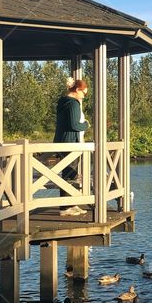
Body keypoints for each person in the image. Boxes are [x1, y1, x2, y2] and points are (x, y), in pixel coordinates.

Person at [54, 78, 89, 216]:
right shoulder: (73, 104)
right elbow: (74, 125)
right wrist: (86, 124)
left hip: (61, 141)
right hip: (70, 142)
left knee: (69, 173)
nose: (84, 97)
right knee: (69, 174)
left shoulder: (62, 101)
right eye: (83, 94)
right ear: (77, 90)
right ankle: (65, 208)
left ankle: (71, 204)